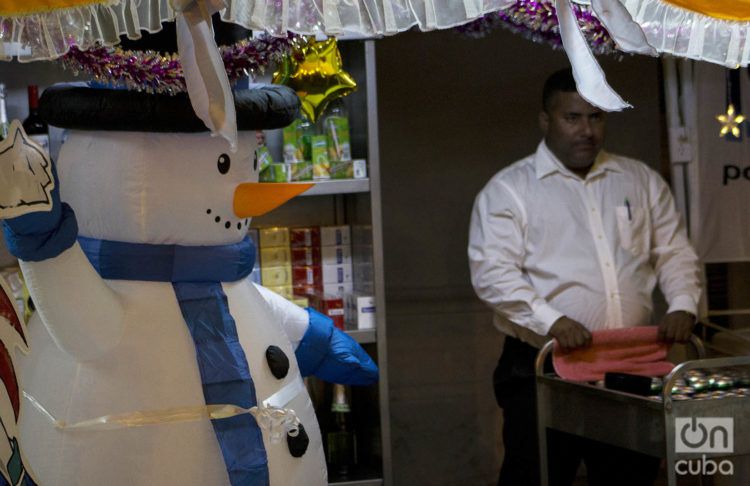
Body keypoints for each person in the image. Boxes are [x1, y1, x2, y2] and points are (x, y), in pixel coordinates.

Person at [468, 68, 702, 486]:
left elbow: (674, 251)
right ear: (546, 120)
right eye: (572, 117)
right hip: (541, 368)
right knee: (535, 475)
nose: (587, 130)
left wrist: (684, 303)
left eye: (596, 117)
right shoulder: (510, 190)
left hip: (629, 368)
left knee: (629, 477)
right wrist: (550, 321)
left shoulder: (640, 180)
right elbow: (493, 274)